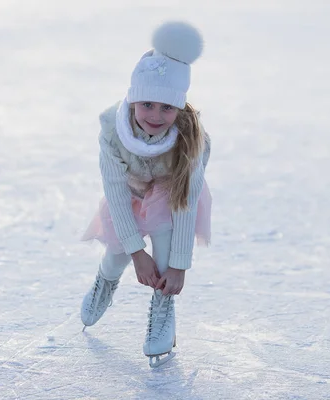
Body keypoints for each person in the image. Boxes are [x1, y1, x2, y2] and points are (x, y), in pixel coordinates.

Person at [80, 21, 211, 368]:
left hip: (171, 201)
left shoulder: (191, 141)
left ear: (179, 108)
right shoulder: (112, 132)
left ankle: (164, 307)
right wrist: (137, 253)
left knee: (166, 256)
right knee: (117, 255)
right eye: (147, 104)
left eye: (167, 108)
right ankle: (105, 280)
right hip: (131, 197)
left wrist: (179, 267)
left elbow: (186, 202)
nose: (156, 115)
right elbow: (116, 194)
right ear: (133, 98)